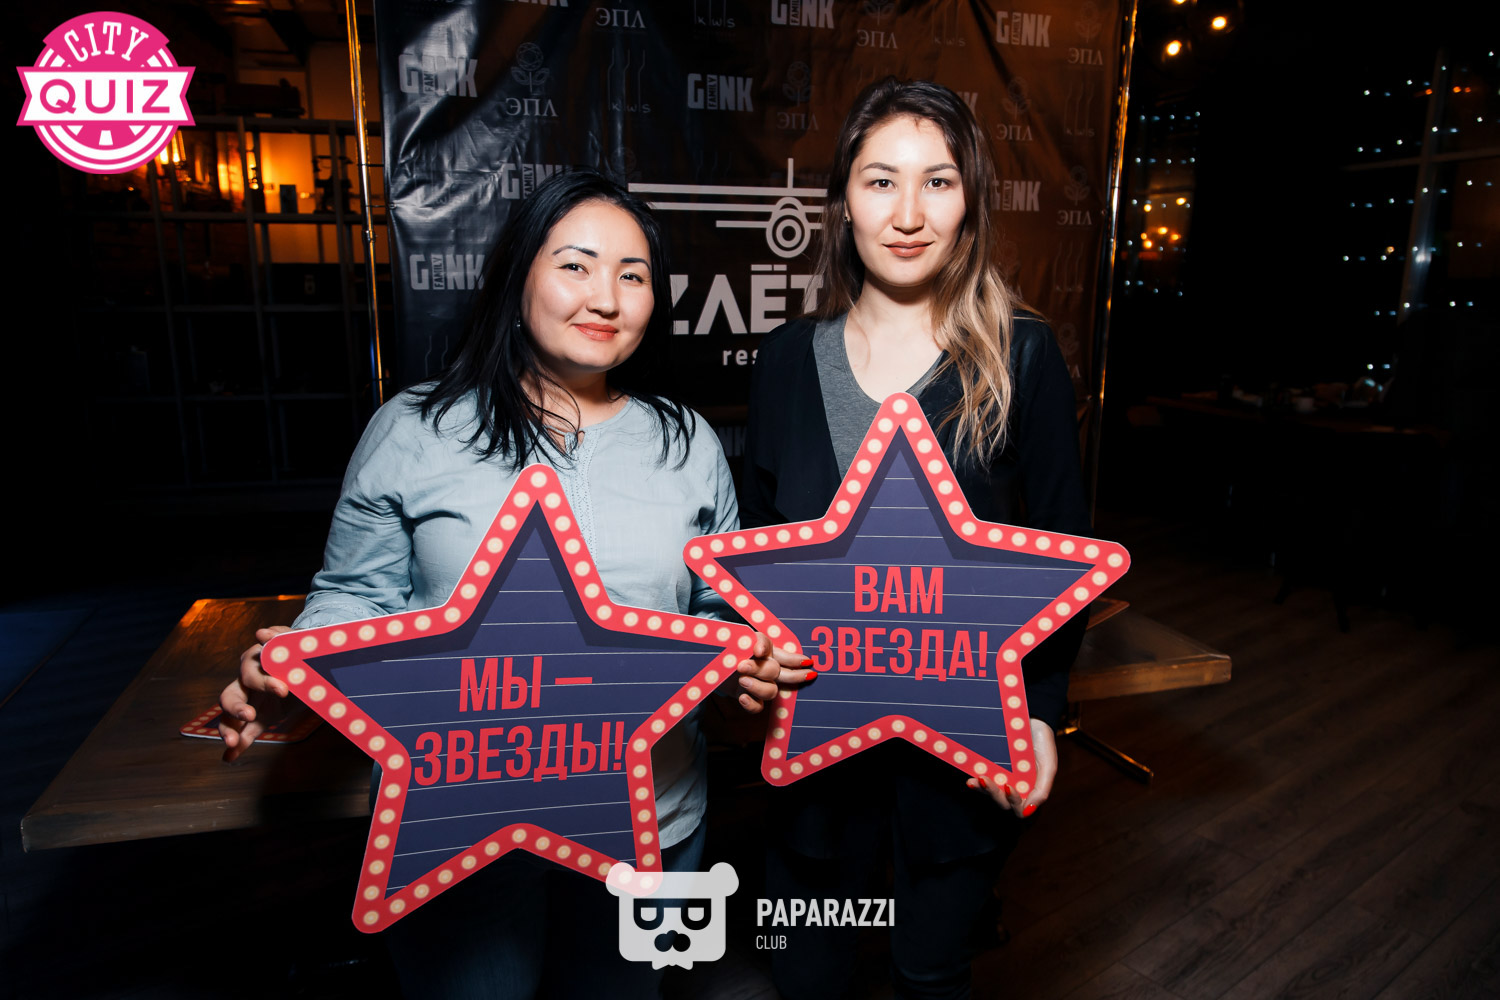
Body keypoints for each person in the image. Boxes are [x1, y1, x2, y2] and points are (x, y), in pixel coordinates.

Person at [215, 168, 807, 998]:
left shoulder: (688, 441)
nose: (606, 297)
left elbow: (715, 609)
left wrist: (750, 661)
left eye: (633, 275)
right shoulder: (415, 428)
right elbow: (355, 595)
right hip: (457, 823)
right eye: (576, 265)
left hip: (651, 821)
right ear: (517, 275)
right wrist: (298, 668)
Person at [741, 78, 1092, 999]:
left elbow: (1063, 553)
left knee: (928, 971)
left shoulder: (1022, 357)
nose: (907, 214)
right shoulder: (784, 362)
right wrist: (754, 653)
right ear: (842, 201)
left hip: (964, 750)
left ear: (970, 199)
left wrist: (1042, 713)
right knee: (806, 974)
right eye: (880, 181)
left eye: (937, 181)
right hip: (816, 752)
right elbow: (757, 548)